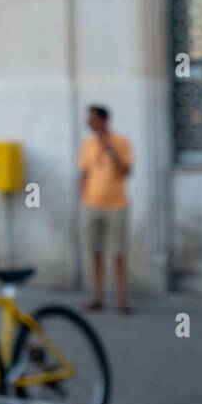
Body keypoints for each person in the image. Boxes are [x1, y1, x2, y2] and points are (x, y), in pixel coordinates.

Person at [79, 105, 132, 313]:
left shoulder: (121, 142)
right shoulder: (87, 144)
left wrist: (108, 146)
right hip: (92, 204)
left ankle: (121, 298)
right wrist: (83, 197)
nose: (89, 123)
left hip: (116, 204)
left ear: (103, 120)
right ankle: (97, 296)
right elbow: (84, 171)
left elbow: (125, 171)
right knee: (95, 251)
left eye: (93, 119)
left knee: (118, 252)